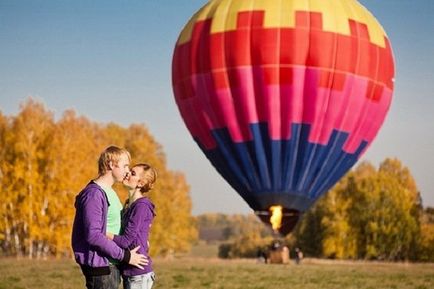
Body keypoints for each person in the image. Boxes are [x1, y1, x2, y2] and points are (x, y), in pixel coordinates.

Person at [72, 146, 148, 289]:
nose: (127, 171)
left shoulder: (110, 192)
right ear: (112, 164)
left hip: (112, 265)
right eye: (125, 165)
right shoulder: (93, 194)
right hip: (102, 268)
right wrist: (126, 256)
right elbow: (93, 235)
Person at [107, 163, 157, 289]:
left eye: (133, 173)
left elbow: (125, 241)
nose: (128, 173)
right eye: (129, 170)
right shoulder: (129, 204)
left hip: (138, 274)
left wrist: (102, 233)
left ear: (141, 183)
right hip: (130, 271)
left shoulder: (141, 206)